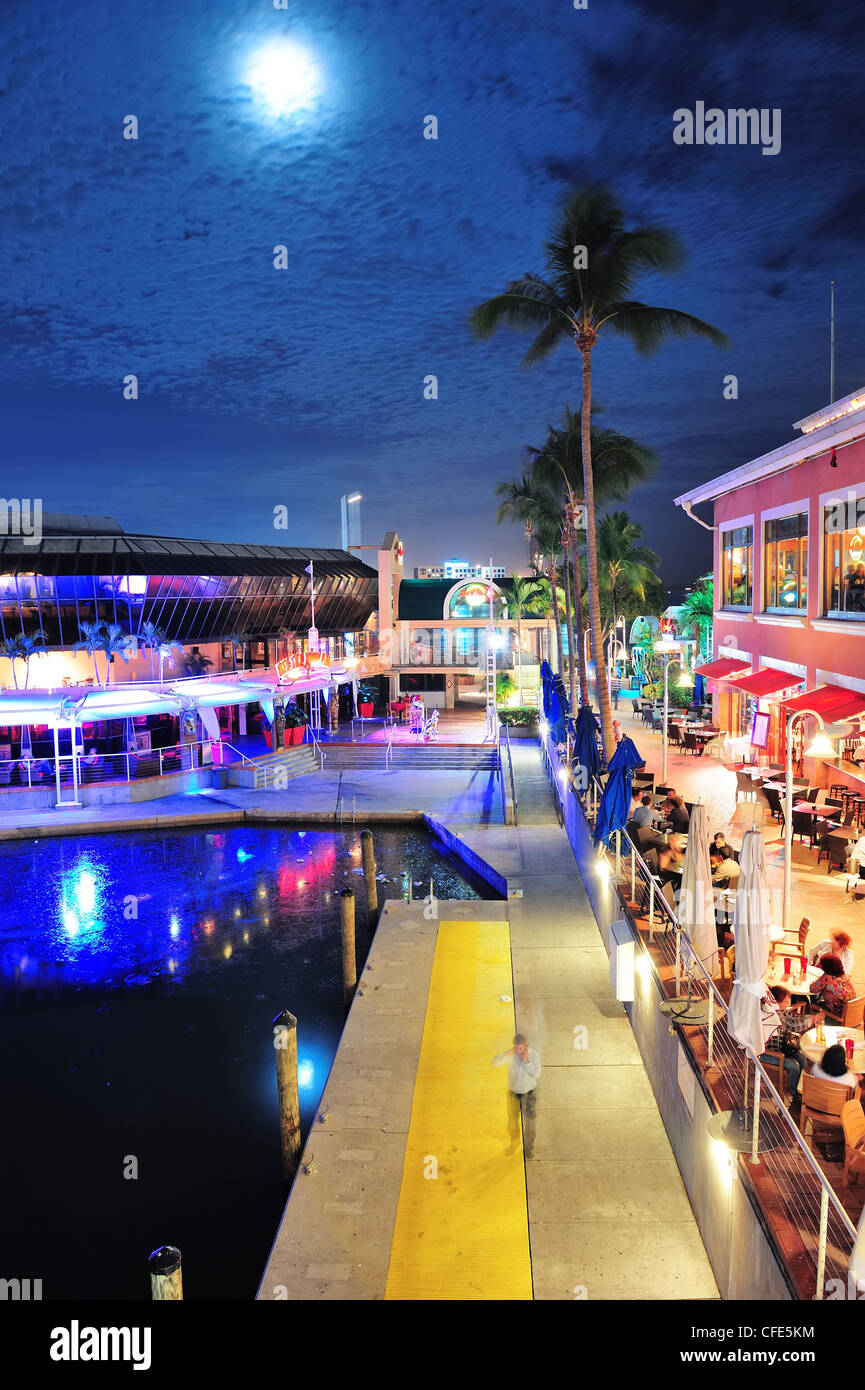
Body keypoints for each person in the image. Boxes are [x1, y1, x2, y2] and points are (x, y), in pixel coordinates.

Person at [759, 985, 824, 1091]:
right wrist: (812, 1019)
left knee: (802, 1056)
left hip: (780, 1045)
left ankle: (803, 1085)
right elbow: (792, 1024)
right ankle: (795, 1092)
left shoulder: (778, 1009)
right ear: (778, 1002)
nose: (789, 1003)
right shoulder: (773, 1015)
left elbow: (791, 1018)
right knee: (794, 1066)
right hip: (765, 1052)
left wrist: (811, 1018)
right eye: (787, 1001)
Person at [492, 1033, 541, 1159]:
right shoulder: (511, 1054)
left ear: (526, 1046)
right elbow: (494, 1063)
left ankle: (529, 1147)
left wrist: (527, 1062)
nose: (519, 1051)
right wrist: (505, 1055)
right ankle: (514, 1142)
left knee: (530, 1122)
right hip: (513, 1093)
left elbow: (536, 1074)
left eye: (521, 1048)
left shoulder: (534, 1055)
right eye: (516, 1048)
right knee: (512, 1121)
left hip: (529, 1093)